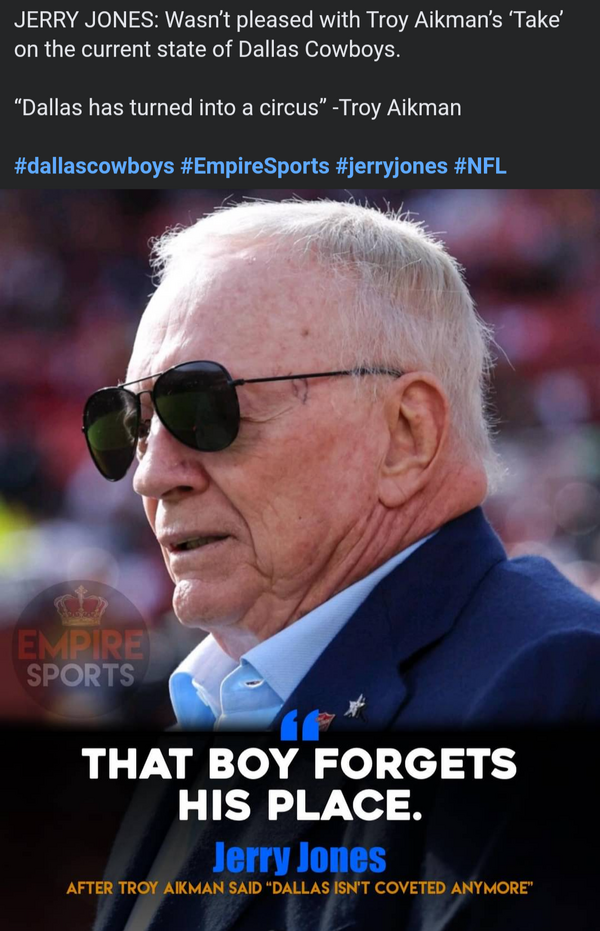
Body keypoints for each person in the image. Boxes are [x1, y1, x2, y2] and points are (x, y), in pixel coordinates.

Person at [83, 199, 600, 731]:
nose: (150, 476)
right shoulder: (207, 709)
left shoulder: (557, 685)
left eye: (203, 409)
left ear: (406, 436)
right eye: (134, 425)